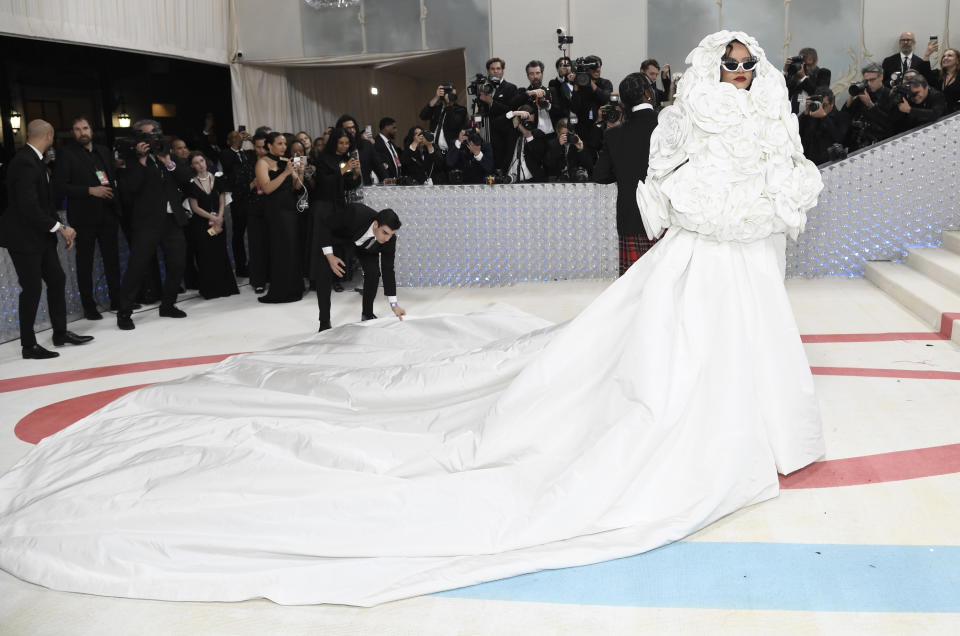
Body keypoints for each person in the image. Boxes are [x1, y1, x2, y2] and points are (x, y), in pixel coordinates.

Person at [0, 31, 826, 607]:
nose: (740, 76)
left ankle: (764, 421)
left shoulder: (772, 118)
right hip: (706, 257)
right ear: (709, 69)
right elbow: (663, 197)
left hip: (750, 261)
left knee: (749, 338)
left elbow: (793, 182)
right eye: (730, 66)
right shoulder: (684, 121)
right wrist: (725, 207)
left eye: (748, 67)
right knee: (683, 357)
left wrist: (770, 200)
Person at [0, 118, 93, 358]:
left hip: (40, 235)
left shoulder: (36, 161)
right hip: (23, 237)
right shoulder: (24, 163)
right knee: (31, 288)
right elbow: (28, 206)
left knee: (57, 279)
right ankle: (28, 346)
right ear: (49, 136)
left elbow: (44, 203)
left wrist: (60, 227)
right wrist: (59, 227)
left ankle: (60, 333)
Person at [115, 119, 192, 330]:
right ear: (138, 138)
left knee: (177, 263)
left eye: (154, 135)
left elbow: (186, 178)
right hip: (147, 222)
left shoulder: (166, 154)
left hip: (171, 219)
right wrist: (140, 160)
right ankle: (124, 312)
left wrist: (168, 161)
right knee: (137, 267)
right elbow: (130, 189)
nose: (152, 139)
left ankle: (168, 304)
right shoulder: (131, 159)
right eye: (146, 136)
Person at [52, 116, 122, 319]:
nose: (82, 132)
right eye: (77, 129)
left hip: (107, 213)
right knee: (85, 263)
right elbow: (60, 186)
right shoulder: (66, 154)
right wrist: (90, 190)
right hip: (83, 217)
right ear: (73, 133)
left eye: (85, 128)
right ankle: (89, 307)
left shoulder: (103, 151)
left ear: (91, 130)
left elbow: (112, 179)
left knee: (112, 260)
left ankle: (118, 300)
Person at [593, 73, 661, 274]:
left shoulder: (613, 134)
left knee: (633, 289)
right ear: (648, 93)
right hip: (666, 217)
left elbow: (600, 175)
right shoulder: (667, 126)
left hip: (631, 218)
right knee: (667, 285)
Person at [312, 203, 404, 330]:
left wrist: (394, 305)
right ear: (376, 224)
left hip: (366, 248)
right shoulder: (355, 213)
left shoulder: (389, 240)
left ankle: (367, 314)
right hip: (339, 241)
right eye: (385, 233)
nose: (387, 239)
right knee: (323, 272)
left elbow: (388, 269)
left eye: (391, 234)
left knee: (373, 273)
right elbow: (325, 225)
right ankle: (324, 322)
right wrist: (330, 257)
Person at [255, 132, 306, 303]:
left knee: (292, 249)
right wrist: (285, 173)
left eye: (285, 144)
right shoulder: (262, 162)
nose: (284, 147)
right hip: (275, 212)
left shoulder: (287, 161)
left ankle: (295, 288)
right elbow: (267, 188)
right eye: (280, 143)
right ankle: (281, 290)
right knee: (280, 250)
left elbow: (297, 187)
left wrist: (301, 171)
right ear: (269, 145)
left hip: (290, 209)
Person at [184, 151, 239, 300]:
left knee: (221, 253)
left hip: (219, 221)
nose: (200, 165)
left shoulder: (218, 179)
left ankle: (226, 287)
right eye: (196, 162)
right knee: (205, 255)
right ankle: (210, 289)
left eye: (201, 161)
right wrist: (212, 217)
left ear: (205, 161)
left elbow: (222, 200)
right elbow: (194, 208)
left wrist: (219, 217)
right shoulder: (191, 184)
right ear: (192, 165)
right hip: (201, 225)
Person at [220, 130, 255, 277]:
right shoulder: (226, 153)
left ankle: (255, 263)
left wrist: (252, 140)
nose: (238, 138)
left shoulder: (248, 153)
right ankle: (241, 266)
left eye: (239, 135)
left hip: (253, 197)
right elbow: (229, 166)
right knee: (239, 233)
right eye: (234, 137)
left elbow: (260, 155)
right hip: (238, 199)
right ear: (229, 141)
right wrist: (236, 144)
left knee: (255, 232)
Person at [843, 62, 894, 151]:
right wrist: (852, 95)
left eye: (872, 80)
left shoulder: (890, 95)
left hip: (880, 145)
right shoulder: (863, 93)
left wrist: (870, 104)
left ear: (881, 77)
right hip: (857, 145)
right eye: (866, 81)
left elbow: (890, 124)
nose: (869, 84)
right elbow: (845, 115)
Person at [797, 89, 847, 165]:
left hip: (829, 162)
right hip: (808, 162)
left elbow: (839, 138)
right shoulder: (810, 115)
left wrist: (824, 117)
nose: (821, 107)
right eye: (819, 104)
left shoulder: (841, 117)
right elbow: (798, 134)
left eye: (824, 105)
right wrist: (806, 114)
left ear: (832, 103)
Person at [246, 132, 270, 294]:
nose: (261, 151)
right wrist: (255, 182)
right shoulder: (247, 163)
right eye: (258, 147)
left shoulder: (273, 162)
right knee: (256, 245)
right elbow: (240, 191)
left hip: (272, 208)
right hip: (254, 208)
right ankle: (259, 281)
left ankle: (273, 276)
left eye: (264, 147)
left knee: (273, 244)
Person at [784, 47, 831, 114]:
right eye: (804, 64)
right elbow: (784, 89)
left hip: (811, 116)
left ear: (816, 61)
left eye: (809, 65)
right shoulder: (796, 72)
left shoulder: (822, 74)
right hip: (792, 114)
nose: (807, 68)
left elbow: (820, 94)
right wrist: (786, 69)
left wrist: (803, 77)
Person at [373, 117, 403, 182]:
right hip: (385, 184)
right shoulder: (376, 143)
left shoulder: (392, 145)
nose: (396, 130)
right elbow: (380, 165)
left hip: (396, 183)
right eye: (394, 128)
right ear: (386, 127)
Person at [932, 47, 960, 113]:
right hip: (938, 112)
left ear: (957, 60)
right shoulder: (937, 74)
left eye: (949, 55)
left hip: (955, 114)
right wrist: (927, 54)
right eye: (944, 56)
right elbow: (925, 72)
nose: (945, 58)